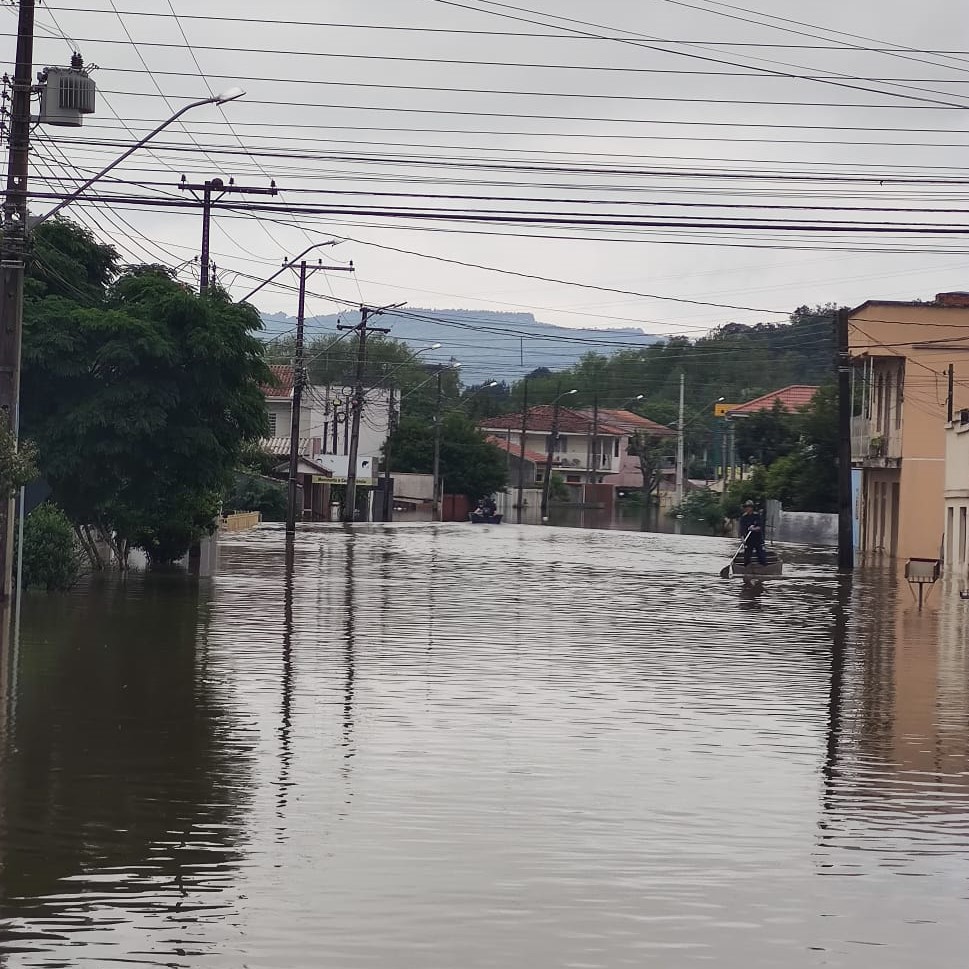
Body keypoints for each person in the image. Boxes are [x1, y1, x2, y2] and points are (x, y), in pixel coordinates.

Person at [739, 500, 767, 567]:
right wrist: (742, 538)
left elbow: (760, 527)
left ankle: (764, 569)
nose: (747, 509)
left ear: (752, 508)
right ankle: (746, 569)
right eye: (746, 507)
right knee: (746, 558)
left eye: (749, 507)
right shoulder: (743, 517)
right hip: (748, 540)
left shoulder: (757, 516)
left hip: (758, 539)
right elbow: (741, 529)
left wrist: (754, 529)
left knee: (762, 557)